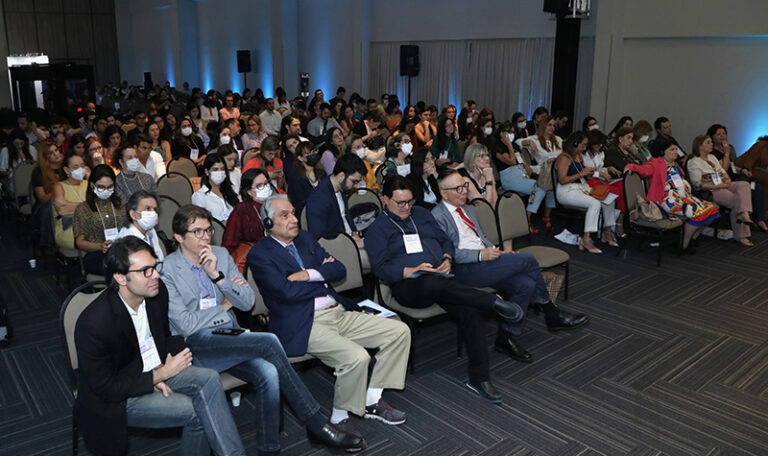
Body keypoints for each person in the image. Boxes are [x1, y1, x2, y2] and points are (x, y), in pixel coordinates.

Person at [160, 204, 362, 455]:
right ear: (179, 237)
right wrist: (224, 306)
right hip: (197, 346)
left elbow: (247, 302)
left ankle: (269, 449)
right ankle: (316, 423)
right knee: (268, 342)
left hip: (230, 336)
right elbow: (186, 324)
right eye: (197, 232)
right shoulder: (167, 270)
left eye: (209, 230)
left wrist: (218, 278)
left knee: (268, 371)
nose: (206, 237)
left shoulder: (220, 255)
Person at [248, 195, 410, 446]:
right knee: (357, 357)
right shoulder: (260, 254)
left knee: (399, 331)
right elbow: (285, 292)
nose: (293, 219)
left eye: (293, 213)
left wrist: (308, 275)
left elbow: (339, 270)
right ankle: (339, 417)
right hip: (304, 323)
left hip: (338, 311)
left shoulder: (305, 239)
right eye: (284, 215)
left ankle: (372, 399)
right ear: (268, 222)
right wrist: (321, 281)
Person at [74, 237, 247, 456]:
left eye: (155, 267)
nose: (155, 275)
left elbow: (163, 337)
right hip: (117, 397)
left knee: (210, 378)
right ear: (121, 277)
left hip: (154, 368)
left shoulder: (156, 293)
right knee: (197, 412)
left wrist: (165, 366)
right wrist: (157, 377)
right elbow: (106, 388)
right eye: (145, 271)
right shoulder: (94, 324)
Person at [365, 175, 523, 404]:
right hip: (409, 286)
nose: (406, 207)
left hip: (441, 280)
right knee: (433, 283)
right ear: (385, 200)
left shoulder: (421, 214)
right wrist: (412, 270)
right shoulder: (377, 230)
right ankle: (491, 302)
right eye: (400, 203)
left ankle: (479, 378)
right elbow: (380, 268)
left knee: (470, 311)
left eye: (409, 201)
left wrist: (447, 258)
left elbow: (445, 240)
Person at [432, 170, 588, 361]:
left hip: (486, 262)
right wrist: (481, 255)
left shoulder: (468, 209)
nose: (464, 191)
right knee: (528, 260)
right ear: (444, 193)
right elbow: (447, 253)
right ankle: (551, 313)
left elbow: (480, 238)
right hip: (465, 269)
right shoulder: (437, 217)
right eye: (458, 189)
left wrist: (497, 252)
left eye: (464, 186)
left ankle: (505, 338)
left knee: (525, 285)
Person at [625, 138, 720, 253]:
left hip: (683, 197)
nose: (675, 152)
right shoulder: (656, 163)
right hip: (666, 200)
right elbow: (644, 170)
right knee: (696, 212)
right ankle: (683, 245)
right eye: (672, 150)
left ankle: (692, 238)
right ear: (662, 152)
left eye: (676, 149)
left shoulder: (675, 164)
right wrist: (631, 167)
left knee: (712, 210)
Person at [554, 132, 620, 253]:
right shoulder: (564, 158)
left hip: (580, 188)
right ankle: (586, 238)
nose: (585, 148)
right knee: (595, 203)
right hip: (566, 191)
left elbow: (585, 175)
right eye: (583, 145)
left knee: (609, 199)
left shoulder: (578, 156)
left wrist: (593, 174)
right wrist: (581, 173)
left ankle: (608, 230)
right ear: (575, 144)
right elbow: (562, 180)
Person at [687, 134, 754, 246]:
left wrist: (727, 179)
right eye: (708, 142)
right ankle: (741, 235)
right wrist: (717, 186)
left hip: (721, 184)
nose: (711, 144)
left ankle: (744, 213)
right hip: (710, 190)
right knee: (737, 200)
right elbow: (697, 185)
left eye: (711, 142)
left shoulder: (712, 157)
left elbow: (722, 171)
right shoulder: (693, 161)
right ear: (699, 146)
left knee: (744, 185)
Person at [496, 122, 555, 233]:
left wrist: (533, 174)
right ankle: (526, 219)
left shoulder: (515, 146)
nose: (511, 134)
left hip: (522, 174)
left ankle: (546, 216)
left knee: (549, 185)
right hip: (509, 177)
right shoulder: (498, 147)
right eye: (508, 132)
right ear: (501, 133)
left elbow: (523, 163)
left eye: (512, 132)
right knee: (540, 188)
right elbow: (512, 161)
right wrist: (509, 145)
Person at [707, 124, 767, 231]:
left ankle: (759, 219)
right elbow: (723, 170)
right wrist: (726, 154)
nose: (722, 136)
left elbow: (732, 165)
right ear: (712, 137)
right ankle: (752, 219)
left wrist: (742, 170)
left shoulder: (728, 148)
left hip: (736, 177)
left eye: (724, 134)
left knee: (756, 188)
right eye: (719, 134)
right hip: (725, 181)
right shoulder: (712, 152)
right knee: (753, 187)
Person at [74, 165, 127, 275]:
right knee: (116, 266)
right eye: (101, 187)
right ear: (92, 185)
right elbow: (80, 242)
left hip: (121, 250)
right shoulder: (83, 209)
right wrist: (100, 246)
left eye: (110, 187)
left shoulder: (122, 204)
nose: (106, 190)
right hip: (96, 253)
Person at [221, 168, 272, 255]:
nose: (265, 188)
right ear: (249, 192)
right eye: (259, 186)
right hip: (254, 256)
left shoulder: (276, 204)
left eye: (266, 183)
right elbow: (229, 244)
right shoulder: (242, 210)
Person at [191, 153, 239, 224]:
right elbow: (200, 224)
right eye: (215, 169)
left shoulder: (230, 191)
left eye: (222, 169)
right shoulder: (199, 196)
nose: (220, 172)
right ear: (207, 171)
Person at [116, 190, 165, 260]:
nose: (153, 213)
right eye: (148, 208)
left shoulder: (150, 230)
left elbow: (159, 257)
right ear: (133, 214)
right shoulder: (126, 240)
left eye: (154, 209)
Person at [53, 153, 88, 249]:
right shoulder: (59, 186)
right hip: (69, 227)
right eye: (76, 167)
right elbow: (62, 210)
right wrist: (88, 206)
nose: (80, 169)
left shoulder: (88, 184)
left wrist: (70, 206)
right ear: (66, 170)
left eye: (82, 166)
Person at [286, 141, 325, 214]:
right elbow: (300, 201)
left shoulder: (321, 172)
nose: (313, 155)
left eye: (314, 151)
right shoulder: (295, 177)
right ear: (300, 158)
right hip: (306, 213)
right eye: (308, 153)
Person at [459, 143, 498, 208]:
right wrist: (489, 181)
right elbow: (485, 208)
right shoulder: (465, 180)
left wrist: (490, 178)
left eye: (487, 155)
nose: (487, 158)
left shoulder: (487, 172)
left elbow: (495, 202)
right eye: (482, 156)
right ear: (472, 160)